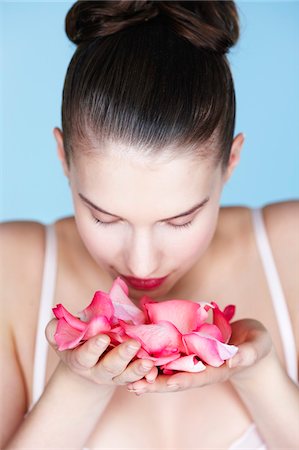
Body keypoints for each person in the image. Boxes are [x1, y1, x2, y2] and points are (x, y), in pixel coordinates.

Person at [1, 1, 298, 448]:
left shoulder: (290, 248)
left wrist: (260, 374)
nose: (140, 262)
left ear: (230, 162)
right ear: (63, 158)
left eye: (181, 220)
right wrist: (79, 385)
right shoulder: (11, 270)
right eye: (104, 217)